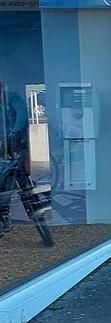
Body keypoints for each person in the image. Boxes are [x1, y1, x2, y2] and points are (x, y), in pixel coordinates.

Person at [0, 80, 51, 240]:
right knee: (6, 178)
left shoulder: (12, 97)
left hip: (17, 144)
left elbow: (22, 114)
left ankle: (10, 211)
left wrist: (15, 131)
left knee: (19, 177)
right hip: (3, 145)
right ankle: (4, 214)